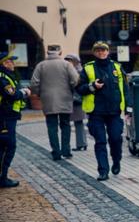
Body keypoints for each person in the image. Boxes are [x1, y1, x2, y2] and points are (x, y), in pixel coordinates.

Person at [76, 41, 130, 181]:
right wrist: (92, 86)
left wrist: (129, 107)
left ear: (108, 52)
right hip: (96, 112)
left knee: (116, 139)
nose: (101, 53)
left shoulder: (117, 67)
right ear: (94, 53)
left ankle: (116, 161)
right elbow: (79, 89)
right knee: (100, 142)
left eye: (103, 50)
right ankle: (103, 171)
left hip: (114, 112)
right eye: (98, 50)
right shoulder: (88, 69)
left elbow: (125, 89)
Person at [30, 44, 80, 161]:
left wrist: (38, 93)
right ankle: (66, 151)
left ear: (47, 52)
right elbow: (75, 80)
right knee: (65, 125)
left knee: (52, 126)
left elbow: (34, 83)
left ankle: (56, 152)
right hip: (65, 98)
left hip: (48, 99)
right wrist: (71, 89)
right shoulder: (67, 64)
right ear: (60, 52)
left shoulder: (40, 65)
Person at [0, 53, 31, 188]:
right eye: (10, 61)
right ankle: (2, 178)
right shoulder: (2, 78)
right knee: (8, 146)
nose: (13, 64)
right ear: (4, 63)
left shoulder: (8, 76)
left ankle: (2, 176)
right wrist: (25, 93)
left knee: (4, 147)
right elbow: (11, 95)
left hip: (8, 116)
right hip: (5, 117)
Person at [64, 54, 87, 151]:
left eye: (69, 60)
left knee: (79, 122)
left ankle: (81, 144)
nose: (67, 62)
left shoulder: (78, 71)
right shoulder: (74, 70)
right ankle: (82, 144)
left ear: (75, 61)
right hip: (73, 100)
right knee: (78, 122)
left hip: (76, 100)